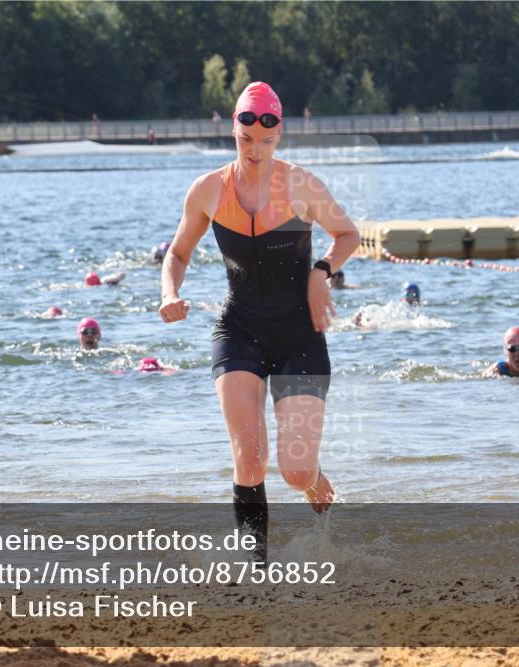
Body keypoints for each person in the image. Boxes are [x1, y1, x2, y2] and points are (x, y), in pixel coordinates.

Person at [158, 81, 361, 560]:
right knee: (249, 459)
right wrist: (170, 292)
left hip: (300, 335)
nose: (255, 151)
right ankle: (256, 569)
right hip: (239, 330)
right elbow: (178, 253)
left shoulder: (302, 186)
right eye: (245, 140)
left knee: (295, 471)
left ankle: (322, 497)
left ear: (279, 136)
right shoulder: (208, 190)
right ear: (233, 130)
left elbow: (347, 234)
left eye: (265, 142)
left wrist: (321, 271)